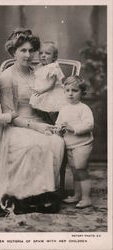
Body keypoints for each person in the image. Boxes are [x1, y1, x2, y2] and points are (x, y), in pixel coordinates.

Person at [0, 28, 65, 212]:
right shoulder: (7, 76)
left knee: (56, 141)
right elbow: (9, 115)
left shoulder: (39, 72)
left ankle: (44, 193)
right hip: (17, 124)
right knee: (32, 143)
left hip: (40, 119)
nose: (28, 54)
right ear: (13, 52)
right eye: (23, 50)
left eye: (31, 50)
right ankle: (25, 195)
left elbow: (51, 97)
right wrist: (36, 127)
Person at [54, 75, 94, 208]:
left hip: (82, 144)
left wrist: (73, 128)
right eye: (67, 90)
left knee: (81, 169)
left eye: (75, 91)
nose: (70, 94)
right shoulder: (64, 108)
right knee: (74, 170)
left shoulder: (83, 108)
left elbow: (89, 125)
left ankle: (86, 197)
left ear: (82, 93)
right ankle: (77, 195)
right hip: (70, 145)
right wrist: (59, 130)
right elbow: (58, 123)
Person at [29, 41, 67, 124]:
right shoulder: (39, 66)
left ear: (54, 57)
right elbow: (36, 75)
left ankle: (57, 125)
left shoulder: (53, 67)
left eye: (47, 53)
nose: (43, 55)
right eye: (41, 53)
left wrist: (42, 91)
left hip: (51, 92)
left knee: (52, 112)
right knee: (41, 111)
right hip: (42, 92)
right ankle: (49, 125)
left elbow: (51, 84)